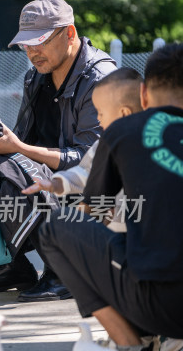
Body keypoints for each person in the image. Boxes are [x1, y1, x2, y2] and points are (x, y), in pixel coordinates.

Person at [0, 0, 117, 302]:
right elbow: (20, 142)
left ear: (70, 34)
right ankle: (11, 269)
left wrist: (16, 148)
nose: (33, 51)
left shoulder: (100, 79)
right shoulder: (36, 76)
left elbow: (90, 161)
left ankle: (63, 273)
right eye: (26, 43)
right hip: (44, 184)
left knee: (18, 176)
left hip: (96, 195)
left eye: (41, 41)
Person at [39, 42, 183, 351]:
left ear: (144, 94)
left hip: (160, 306)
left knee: (56, 227)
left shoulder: (124, 132)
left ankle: (131, 350)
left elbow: (92, 215)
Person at [23, 67, 144, 233]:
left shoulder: (121, 145)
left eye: (100, 113)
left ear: (123, 113)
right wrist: (54, 183)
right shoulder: (104, 144)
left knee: (57, 229)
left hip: (126, 237)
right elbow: (84, 173)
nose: (98, 120)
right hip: (118, 234)